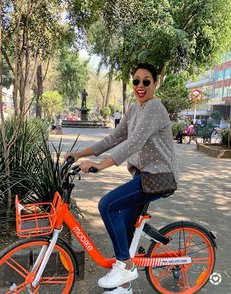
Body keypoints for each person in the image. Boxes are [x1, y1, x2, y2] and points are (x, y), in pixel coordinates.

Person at [67, 63, 177, 294]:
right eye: (136, 81)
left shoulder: (154, 107)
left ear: (155, 83)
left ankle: (125, 266)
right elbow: (114, 137)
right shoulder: (135, 108)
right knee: (124, 225)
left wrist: (100, 166)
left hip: (157, 176)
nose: (140, 86)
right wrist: (80, 153)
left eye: (146, 81)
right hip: (143, 175)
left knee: (107, 205)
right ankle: (124, 285)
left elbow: (134, 143)